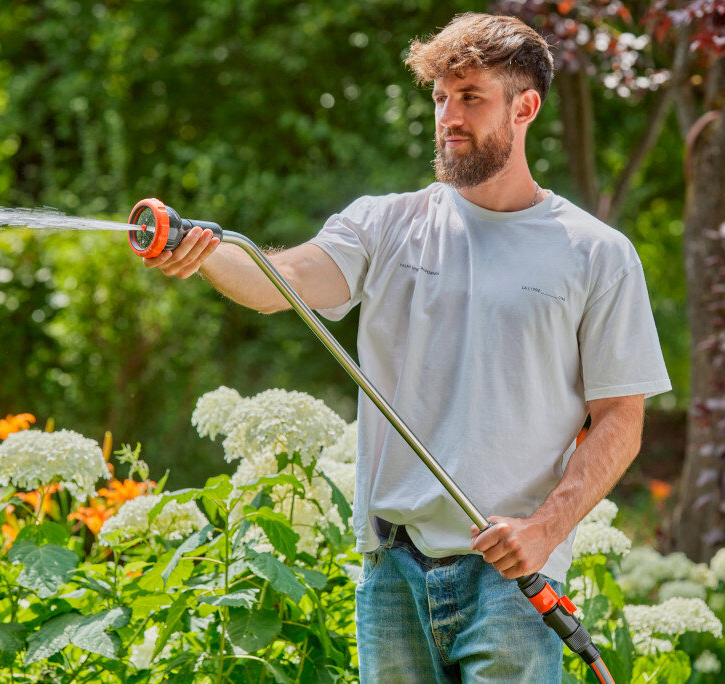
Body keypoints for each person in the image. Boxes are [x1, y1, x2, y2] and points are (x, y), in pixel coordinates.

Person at [143, 12, 671, 683]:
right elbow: (283, 283)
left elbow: (621, 419)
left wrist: (544, 530)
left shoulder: (596, 255)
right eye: (440, 98)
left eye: (471, 97)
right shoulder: (385, 223)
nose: (449, 115)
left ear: (525, 107)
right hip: (392, 571)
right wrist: (206, 253)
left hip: (510, 582)